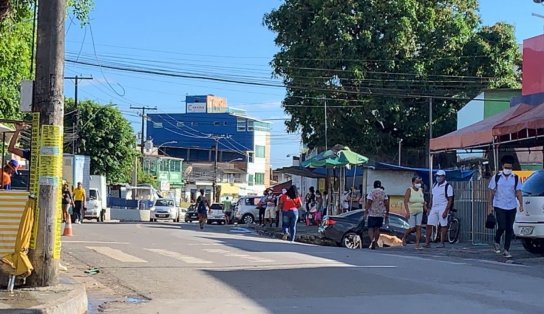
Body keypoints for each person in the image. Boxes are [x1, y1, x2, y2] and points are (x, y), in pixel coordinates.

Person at [488, 155, 523, 258]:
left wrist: (521, 204)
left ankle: (506, 250)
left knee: (509, 229)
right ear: (502, 166)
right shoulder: (496, 177)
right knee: (502, 226)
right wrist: (490, 205)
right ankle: (496, 240)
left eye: (510, 168)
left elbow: (518, 192)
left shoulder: (515, 178)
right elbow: (491, 192)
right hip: (499, 205)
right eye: (506, 167)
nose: (508, 169)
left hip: (511, 205)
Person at [424, 170, 454, 248]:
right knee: (429, 224)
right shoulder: (435, 185)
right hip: (434, 207)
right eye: (437, 176)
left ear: (444, 177)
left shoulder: (448, 186)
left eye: (440, 176)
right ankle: (427, 243)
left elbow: (450, 199)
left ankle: (442, 242)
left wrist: (446, 210)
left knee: (443, 225)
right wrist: (429, 207)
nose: (438, 178)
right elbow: (433, 197)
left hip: (443, 207)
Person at [402, 176, 427, 249]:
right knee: (412, 228)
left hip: (420, 210)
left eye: (420, 182)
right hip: (411, 211)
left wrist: (425, 207)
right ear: (413, 183)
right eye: (417, 182)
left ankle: (417, 244)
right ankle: (404, 237)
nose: (418, 184)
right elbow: (405, 201)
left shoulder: (421, 190)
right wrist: (407, 212)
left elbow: (423, 200)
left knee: (418, 227)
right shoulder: (409, 190)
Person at [364, 180, 389, 249]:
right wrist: (387, 212)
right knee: (377, 228)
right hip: (380, 213)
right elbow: (386, 203)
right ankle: (375, 243)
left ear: (374, 185)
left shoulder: (372, 192)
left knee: (370, 228)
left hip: (372, 213)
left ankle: (372, 240)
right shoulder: (383, 193)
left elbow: (369, 202)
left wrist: (366, 211)